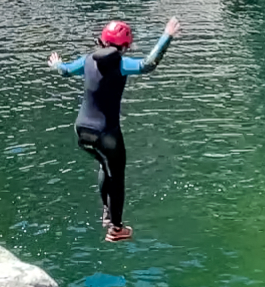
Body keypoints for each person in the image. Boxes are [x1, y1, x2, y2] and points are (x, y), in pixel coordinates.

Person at [48, 17, 182, 242]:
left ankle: (107, 212)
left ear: (102, 40)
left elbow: (66, 71)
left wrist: (56, 64)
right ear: (124, 46)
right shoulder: (120, 63)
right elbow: (148, 64)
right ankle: (116, 228)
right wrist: (167, 36)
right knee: (116, 175)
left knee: (103, 163)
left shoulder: (87, 60)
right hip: (106, 134)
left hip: (81, 131)